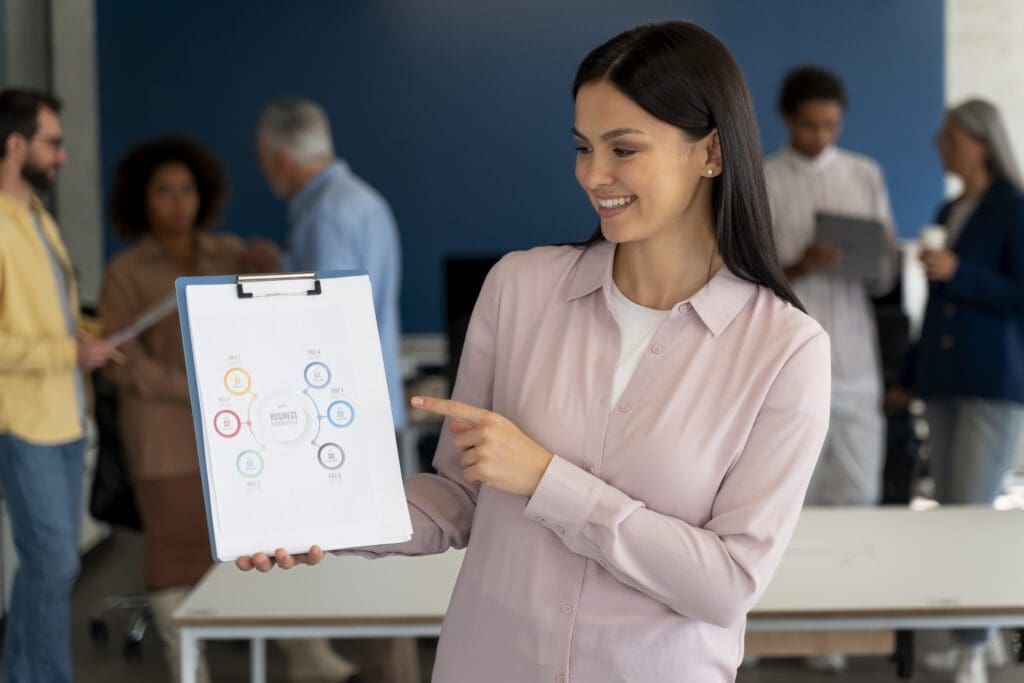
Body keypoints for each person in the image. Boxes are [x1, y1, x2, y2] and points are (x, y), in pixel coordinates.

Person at [238, 21, 831, 682]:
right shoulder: (519, 287)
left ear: (711, 152)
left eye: (623, 148)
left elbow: (726, 585)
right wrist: (315, 517)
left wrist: (547, 478)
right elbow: (457, 498)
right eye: (582, 146)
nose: (593, 174)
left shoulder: (785, 349)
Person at [99, 136, 358, 683]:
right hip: (163, 440)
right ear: (140, 199)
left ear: (204, 195)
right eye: (163, 191)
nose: (177, 202)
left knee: (270, 544)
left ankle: (307, 657)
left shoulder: (230, 253)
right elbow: (121, 363)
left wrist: (272, 267)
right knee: (173, 556)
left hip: (240, 435)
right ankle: (188, 667)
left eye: (186, 190)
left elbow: (269, 324)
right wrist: (193, 386)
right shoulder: (124, 271)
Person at [0, 88, 114, 682]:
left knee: (51, 567)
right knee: (52, 566)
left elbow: (46, 315)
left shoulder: (36, 218)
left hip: (67, 417)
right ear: (14, 145)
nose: (63, 156)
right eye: (53, 142)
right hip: (25, 423)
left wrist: (93, 338)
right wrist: (65, 353)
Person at [913, 99, 1024, 683]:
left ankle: (975, 644)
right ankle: (969, 638)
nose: (941, 143)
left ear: (981, 141)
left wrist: (962, 273)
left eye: (951, 135)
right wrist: (909, 373)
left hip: (991, 382)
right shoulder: (951, 207)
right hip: (944, 377)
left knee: (974, 513)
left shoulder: (1013, 208)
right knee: (953, 511)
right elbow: (937, 302)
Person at [764, 66, 897, 511]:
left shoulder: (864, 175)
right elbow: (746, 278)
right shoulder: (765, 180)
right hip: (788, 359)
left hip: (856, 357)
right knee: (796, 497)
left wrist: (871, 261)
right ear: (787, 118)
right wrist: (803, 263)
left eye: (831, 125)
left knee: (861, 492)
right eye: (809, 125)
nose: (821, 136)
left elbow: (887, 276)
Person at [246, 97, 406, 430]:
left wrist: (274, 274)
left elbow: (326, 316)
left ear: (281, 159)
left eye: (261, 159)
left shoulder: (324, 215)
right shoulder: (362, 199)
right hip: (371, 398)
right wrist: (284, 264)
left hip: (341, 409)